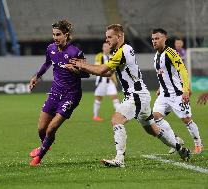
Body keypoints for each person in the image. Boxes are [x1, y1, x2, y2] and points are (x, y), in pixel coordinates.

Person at [68, 24, 191, 168]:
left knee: (116, 120)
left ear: (119, 36)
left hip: (136, 95)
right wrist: (80, 70)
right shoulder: (120, 51)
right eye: (106, 37)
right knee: (153, 130)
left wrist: (82, 65)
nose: (107, 40)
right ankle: (180, 148)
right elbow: (108, 73)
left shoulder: (123, 50)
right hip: (138, 95)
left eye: (109, 37)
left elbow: (103, 69)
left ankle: (119, 158)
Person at [28, 20, 90, 166]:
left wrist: (75, 70)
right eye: (54, 35)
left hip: (71, 95)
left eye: (58, 34)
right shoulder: (51, 48)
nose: (55, 38)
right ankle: (45, 145)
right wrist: (36, 77)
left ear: (66, 35)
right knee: (41, 128)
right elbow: (47, 63)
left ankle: (38, 158)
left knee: (51, 128)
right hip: (55, 92)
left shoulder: (76, 52)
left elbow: (86, 74)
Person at [151, 28, 203, 155]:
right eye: (153, 39)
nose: (154, 41)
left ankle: (198, 144)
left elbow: (182, 70)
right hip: (164, 94)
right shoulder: (156, 55)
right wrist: (161, 87)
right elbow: (163, 74)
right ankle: (175, 140)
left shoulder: (171, 53)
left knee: (187, 120)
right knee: (155, 117)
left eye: (157, 38)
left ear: (165, 38)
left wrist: (185, 89)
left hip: (177, 94)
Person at [92, 42, 120, 121]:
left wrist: (114, 80)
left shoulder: (112, 57)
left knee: (115, 97)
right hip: (102, 81)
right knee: (98, 98)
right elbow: (97, 68)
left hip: (110, 81)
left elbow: (114, 70)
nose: (106, 48)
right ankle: (95, 116)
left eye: (108, 46)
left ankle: (119, 115)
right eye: (105, 46)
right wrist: (107, 74)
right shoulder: (99, 56)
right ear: (102, 48)